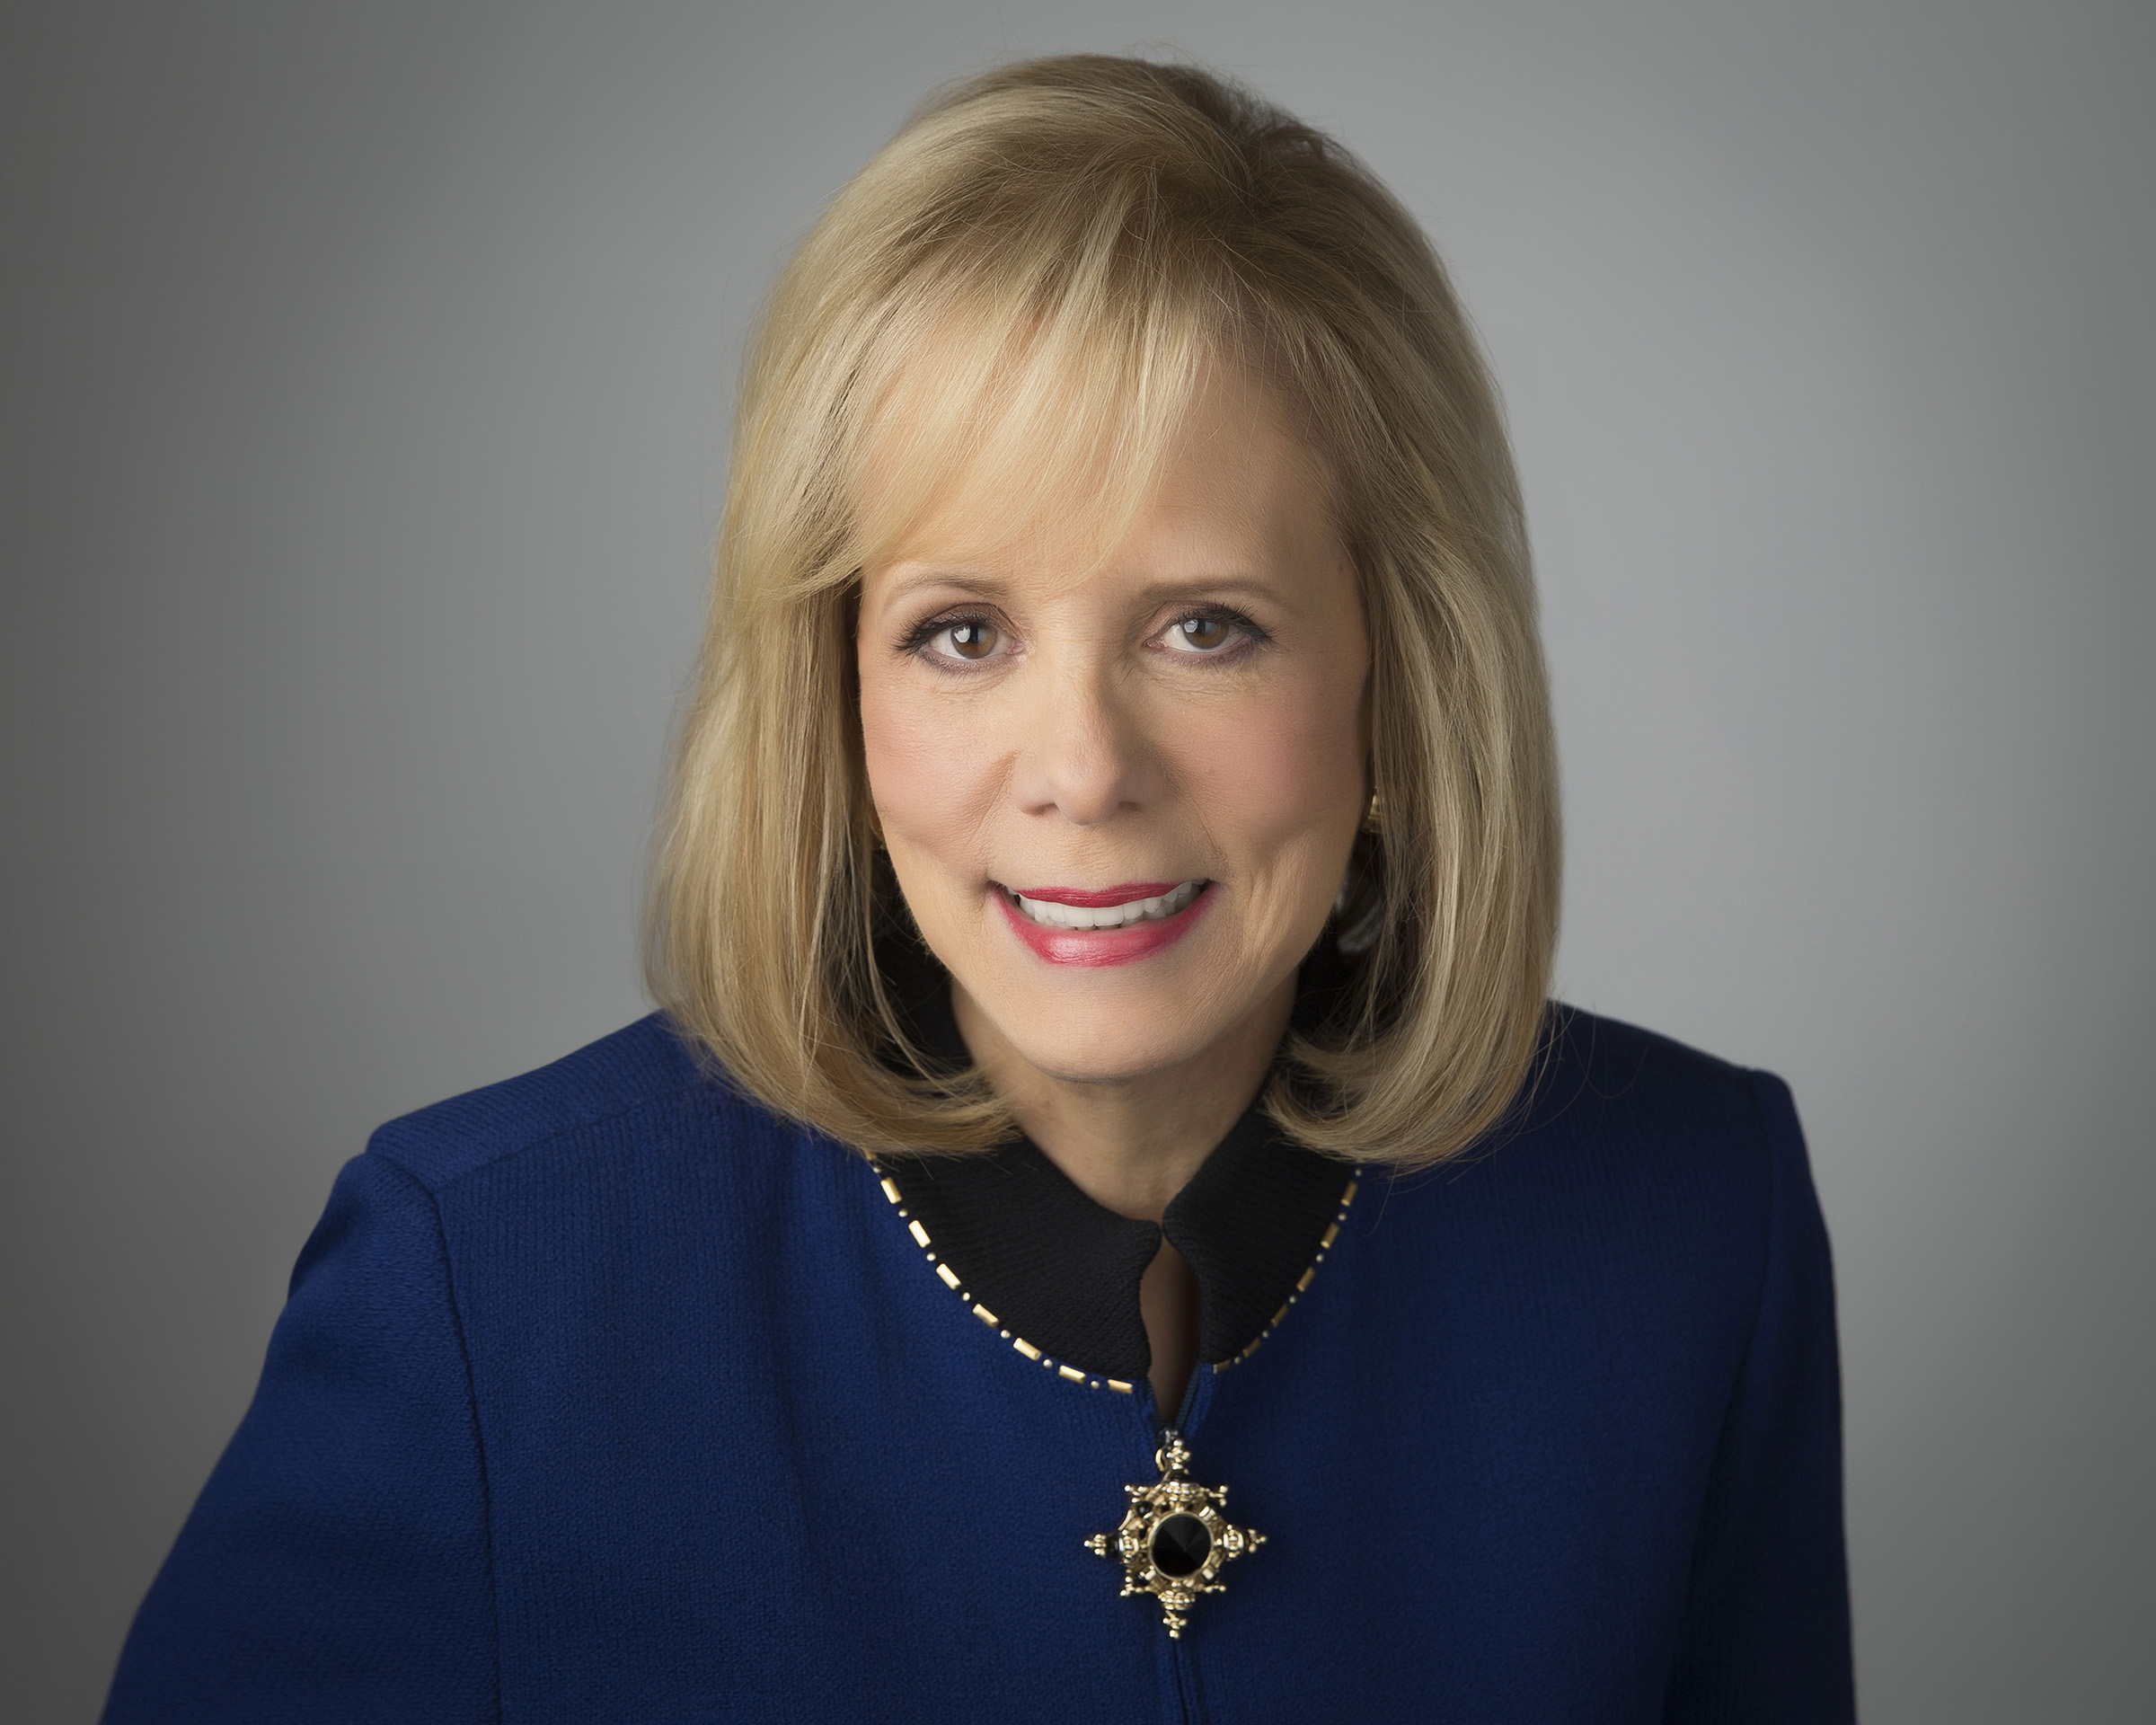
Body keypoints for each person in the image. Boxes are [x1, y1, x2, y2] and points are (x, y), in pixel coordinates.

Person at [104, 54, 1852, 1722]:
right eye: (961, 633)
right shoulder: (482, 1289)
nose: (1082, 769)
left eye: (1206, 626)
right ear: (835, 698)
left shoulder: (1692, 1222)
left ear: (1400, 685)